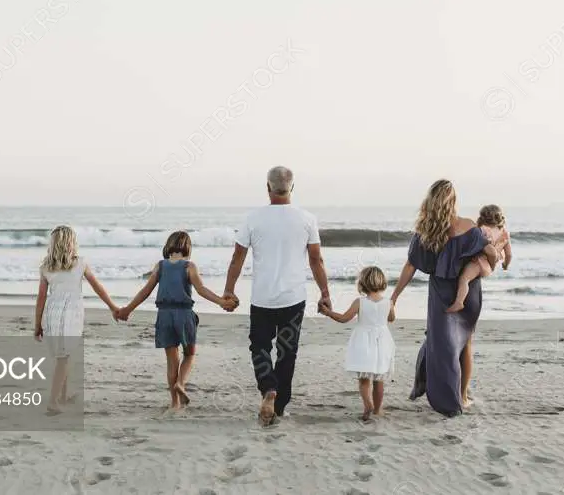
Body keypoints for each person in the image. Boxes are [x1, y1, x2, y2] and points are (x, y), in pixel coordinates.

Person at [222, 166, 332, 426]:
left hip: (262, 297)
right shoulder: (307, 219)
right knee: (287, 351)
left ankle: (268, 388)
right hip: (293, 298)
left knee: (259, 346)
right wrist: (325, 293)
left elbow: (238, 257)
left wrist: (229, 290)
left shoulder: (253, 218)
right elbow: (316, 259)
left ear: (268, 187)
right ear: (292, 187)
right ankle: (280, 405)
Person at [389, 180, 498, 417]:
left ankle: (448, 397)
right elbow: (492, 254)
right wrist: (488, 262)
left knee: (442, 344)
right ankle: (462, 396)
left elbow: (411, 266)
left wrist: (394, 296)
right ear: (453, 201)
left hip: (440, 292)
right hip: (469, 292)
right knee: (463, 343)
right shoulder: (469, 226)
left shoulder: (425, 232)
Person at [115, 231, 234, 410]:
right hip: (184, 315)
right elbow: (201, 290)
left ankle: (174, 403)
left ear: (168, 246)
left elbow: (145, 291)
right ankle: (181, 384)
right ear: (188, 247)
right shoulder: (189, 266)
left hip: (164, 316)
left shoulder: (160, 266)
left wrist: (127, 309)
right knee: (190, 354)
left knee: (172, 360)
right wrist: (221, 302)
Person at [34, 225, 120, 414]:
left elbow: (41, 298)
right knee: (64, 358)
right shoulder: (80, 263)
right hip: (71, 314)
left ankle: (63, 396)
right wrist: (113, 307)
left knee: (64, 355)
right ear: (72, 243)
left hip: (52, 313)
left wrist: (37, 324)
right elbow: (98, 287)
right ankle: (53, 401)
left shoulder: (46, 267)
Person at [319, 266, 396, 421]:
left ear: (362, 283)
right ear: (383, 283)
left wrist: (328, 313)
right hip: (382, 341)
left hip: (363, 341)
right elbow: (391, 319)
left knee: (364, 378)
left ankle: (368, 404)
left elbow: (344, 318)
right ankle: (377, 409)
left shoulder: (360, 302)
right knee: (379, 378)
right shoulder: (389, 302)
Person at [446, 204, 512, 313]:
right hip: (489, 267)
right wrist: (505, 265)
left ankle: (459, 302)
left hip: (478, 263)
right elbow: (509, 255)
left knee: (464, 279)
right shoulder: (505, 233)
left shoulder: (481, 230)